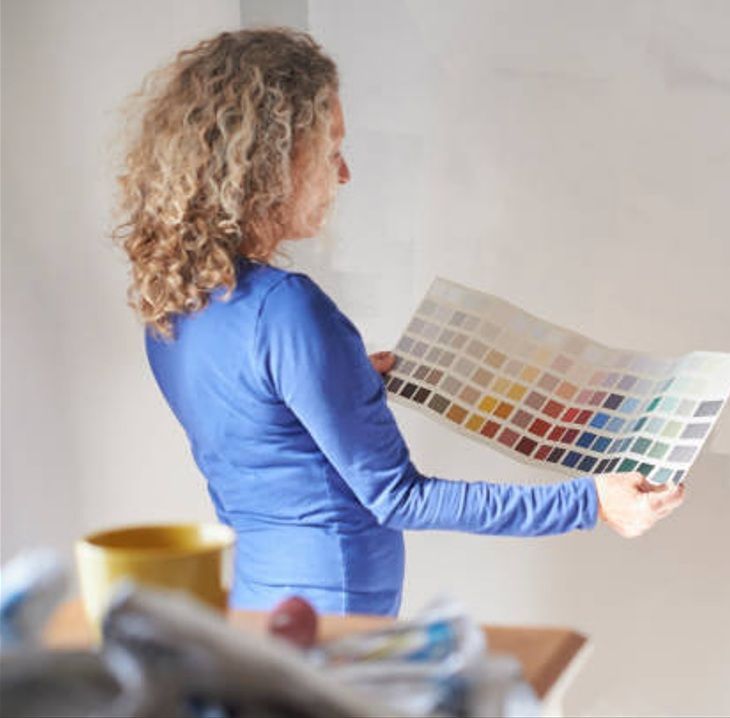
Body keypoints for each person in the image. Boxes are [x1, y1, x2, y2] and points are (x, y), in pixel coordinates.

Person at [114, 28, 684, 616]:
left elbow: (259, 428)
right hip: (331, 610)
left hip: (260, 599)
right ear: (272, 163)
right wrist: (590, 501)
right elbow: (398, 497)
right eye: (331, 148)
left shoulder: (175, 303)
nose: (344, 175)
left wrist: (339, 378)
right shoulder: (287, 308)